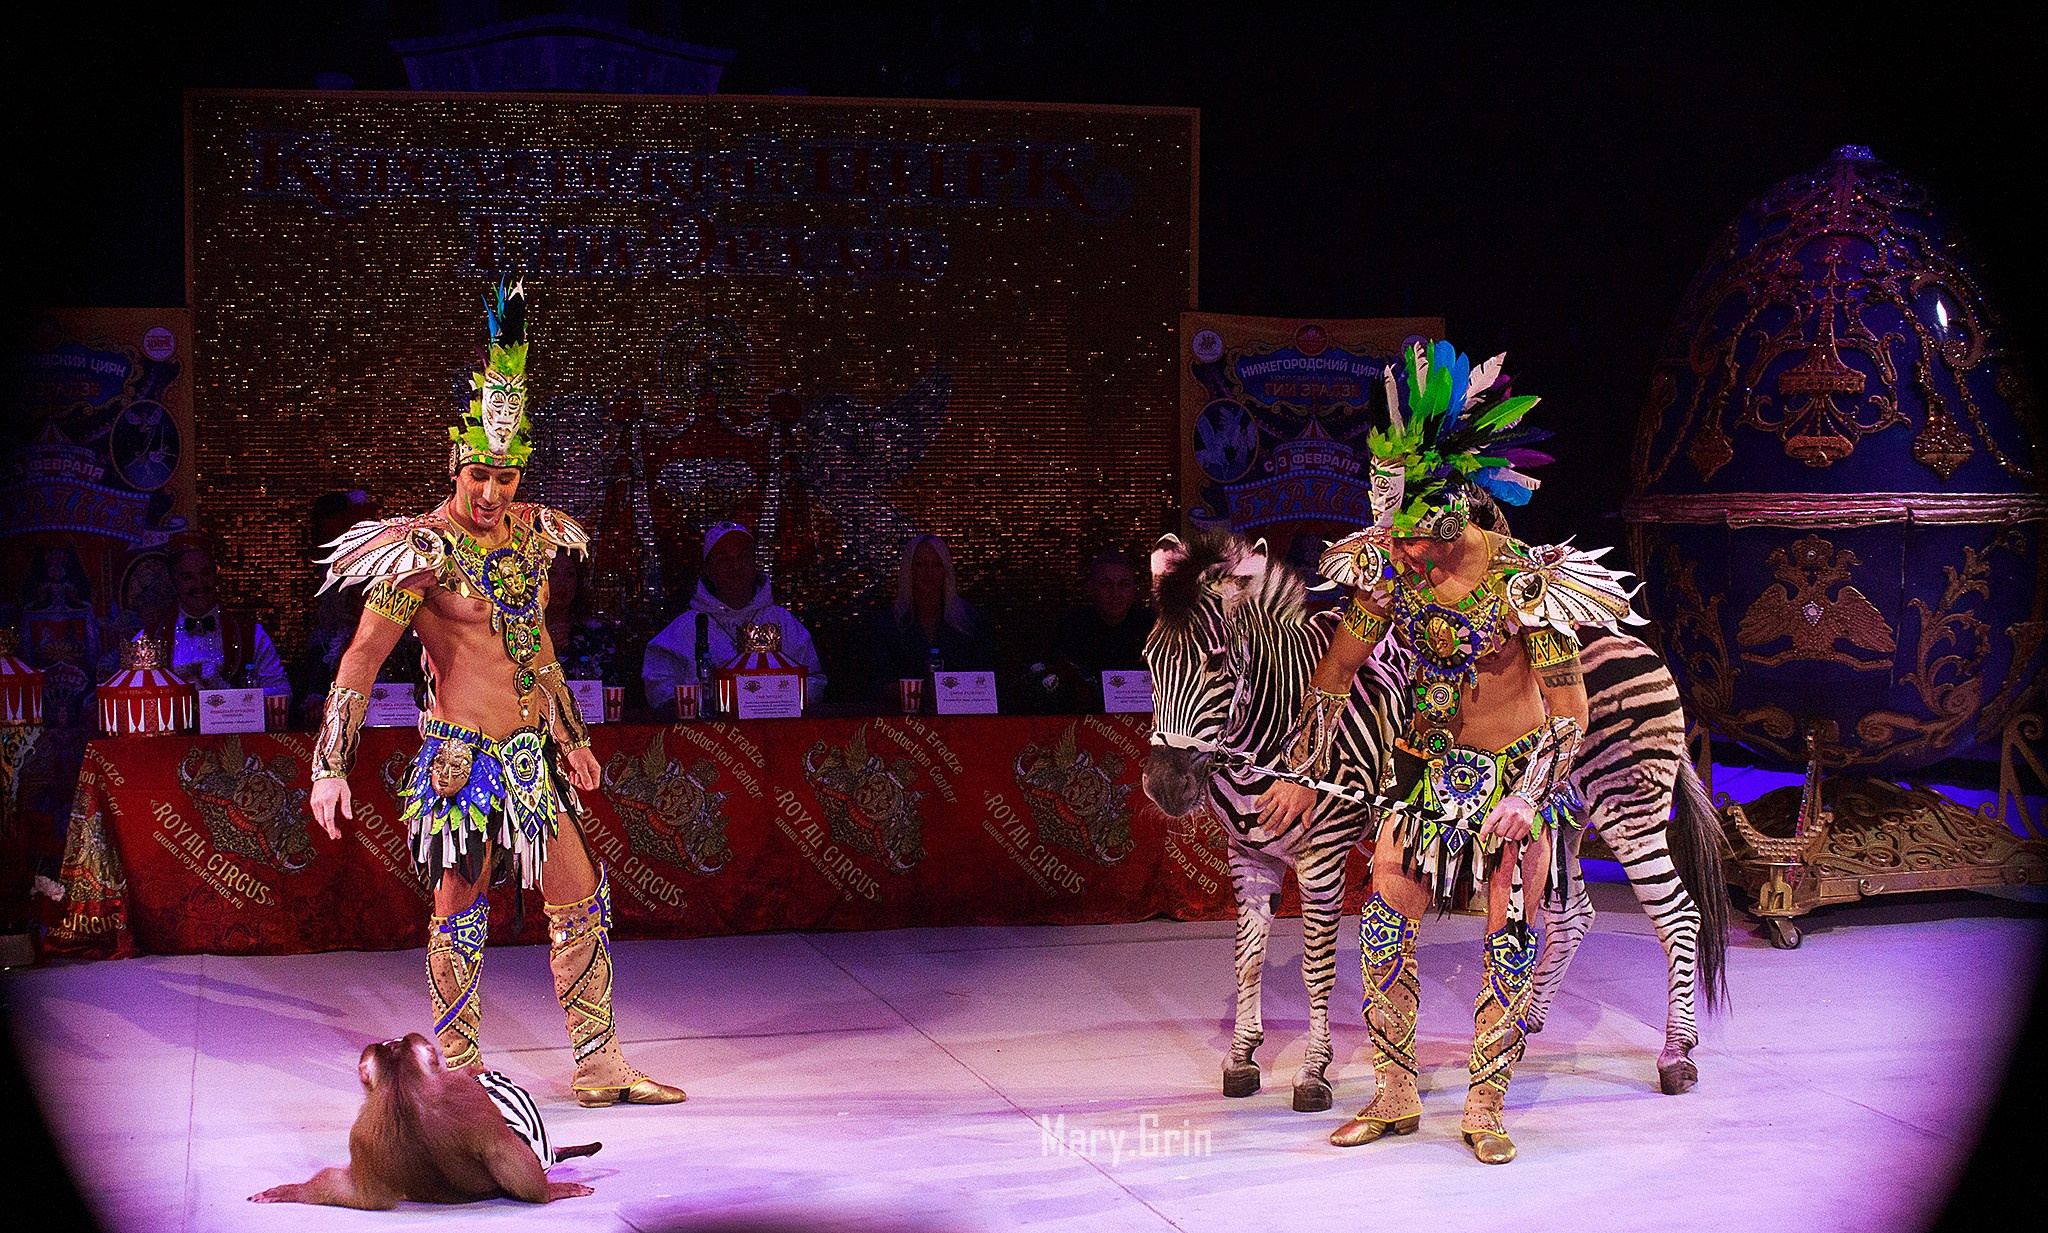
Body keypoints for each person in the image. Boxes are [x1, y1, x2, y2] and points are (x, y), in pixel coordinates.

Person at [1257, 341, 1640, 1164]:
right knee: (1384, 925)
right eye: (1388, 535)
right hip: (1418, 772)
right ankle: (1395, 1093)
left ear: (1449, 516)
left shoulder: (1522, 583)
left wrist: (1532, 797)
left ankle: (1484, 1104)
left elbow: (1571, 712)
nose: (1393, 553)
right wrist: (1299, 768)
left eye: (1409, 537)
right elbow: (1336, 674)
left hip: (1511, 780)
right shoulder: (1391, 569)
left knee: (1511, 933)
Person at [309, 280, 683, 1107]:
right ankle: (455, 1072)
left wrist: (574, 733)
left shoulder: (534, 539)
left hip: (528, 754)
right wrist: (329, 766)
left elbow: (537, 647)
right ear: (456, 467)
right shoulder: (420, 552)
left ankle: (599, 1063)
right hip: (462, 761)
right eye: (480, 474)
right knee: (460, 903)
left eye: (507, 477)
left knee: (580, 891)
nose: (492, 493)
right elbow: (362, 659)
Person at [642, 521, 825, 713]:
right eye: (724, 559)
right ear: (709, 569)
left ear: (754, 564)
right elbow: (658, 686)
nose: (735, 566)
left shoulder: (782, 621)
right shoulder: (687, 627)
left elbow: (814, 680)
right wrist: (701, 700)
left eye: (743, 557)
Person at [139, 533, 290, 697]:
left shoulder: (252, 635)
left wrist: (227, 692)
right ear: (173, 581)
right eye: (187, 577)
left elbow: (282, 695)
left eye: (205, 573)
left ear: (216, 574)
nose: (199, 584)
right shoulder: (148, 639)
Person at [865, 532, 994, 700]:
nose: (929, 572)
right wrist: (926, 693)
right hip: (903, 721)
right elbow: (877, 684)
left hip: (963, 719)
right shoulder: (886, 625)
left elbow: (985, 680)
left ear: (946, 570)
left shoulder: (972, 622)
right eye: (921, 564)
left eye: (936, 565)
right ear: (909, 570)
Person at [1042, 548, 1153, 710]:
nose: (1115, 593)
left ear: (1135, 588)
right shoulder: (1070, 628)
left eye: (1124, 584)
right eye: (1106, 584)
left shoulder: (1152, 629)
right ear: (1090, 588)